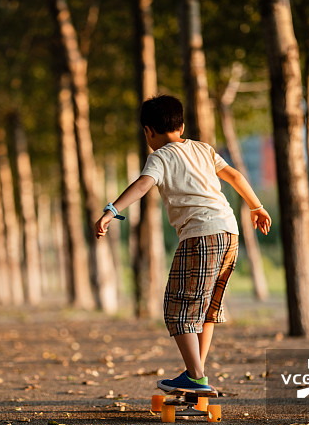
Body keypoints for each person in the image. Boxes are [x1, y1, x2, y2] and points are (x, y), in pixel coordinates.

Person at [95, 95, 271, 396]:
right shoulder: (203, 149)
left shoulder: (160, 156)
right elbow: (234, 175)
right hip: (230, 231)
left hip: (201, 235)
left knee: (177, 309)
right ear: (182, 125)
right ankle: (194, 376)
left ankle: (197, 377)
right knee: (206, 309)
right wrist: (257, 207)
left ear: (148, 131)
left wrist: (111, 210)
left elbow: (142, 185)